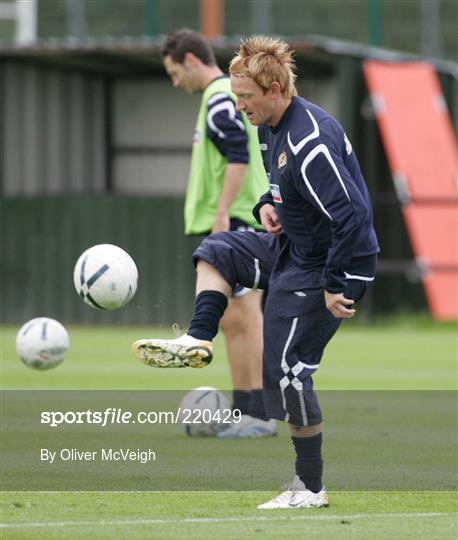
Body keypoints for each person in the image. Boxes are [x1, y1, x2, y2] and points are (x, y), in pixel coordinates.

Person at [133, 35, 379, 508]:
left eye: (245, 96)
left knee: (286, 373)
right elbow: (284, 188)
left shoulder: (311, 140)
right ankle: (197, 337)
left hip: (333, 267)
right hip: (294, 248)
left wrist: (333, 285)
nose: (238, 104)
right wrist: (270, 203)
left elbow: (352, 216)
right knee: (217, 248)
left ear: (273, 88)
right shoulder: (269, 125)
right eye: (235, 94)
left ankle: (309, 488)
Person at [149, 29, 276, 438]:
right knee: (243, 320)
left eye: (173, 73)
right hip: (242, 215)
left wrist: (222, 213)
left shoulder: (219, 95)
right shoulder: (223, 94)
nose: (175, 83)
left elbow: (237, 150)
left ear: (190, 60)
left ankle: (252, 416)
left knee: (239, 321)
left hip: (237, 218)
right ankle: (255, 413)